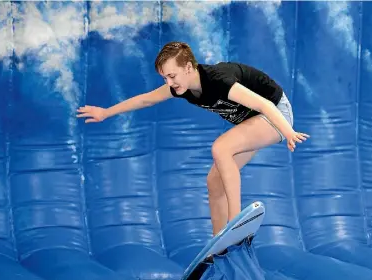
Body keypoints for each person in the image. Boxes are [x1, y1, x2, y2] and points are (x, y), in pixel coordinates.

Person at [77, 41, 309, 236]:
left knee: (221, 148)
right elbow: (146, 99)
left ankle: (235, 223)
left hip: (276, 114)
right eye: (165, 78)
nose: (169, 83)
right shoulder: (183, 87)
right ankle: (220, 243)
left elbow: (264, 104)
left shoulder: (218, 80)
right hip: (254, 122)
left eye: (171, 75)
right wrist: (106, 112)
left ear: (188, 67)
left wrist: (288, 132)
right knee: (214, 181)